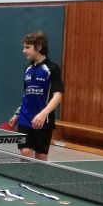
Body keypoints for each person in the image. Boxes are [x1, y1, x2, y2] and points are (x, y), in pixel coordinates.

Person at [8, 31, 64, 161]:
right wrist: (17, 113)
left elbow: (58, 96)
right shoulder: (28, 69)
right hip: (25, 117)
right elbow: (26, 95)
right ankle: (25, 174)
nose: (24, 51)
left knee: (40, 157)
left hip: (43, 120)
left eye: (27, 47)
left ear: (38, 47)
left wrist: (43, 114)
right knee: (25, 152)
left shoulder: (53, 68)